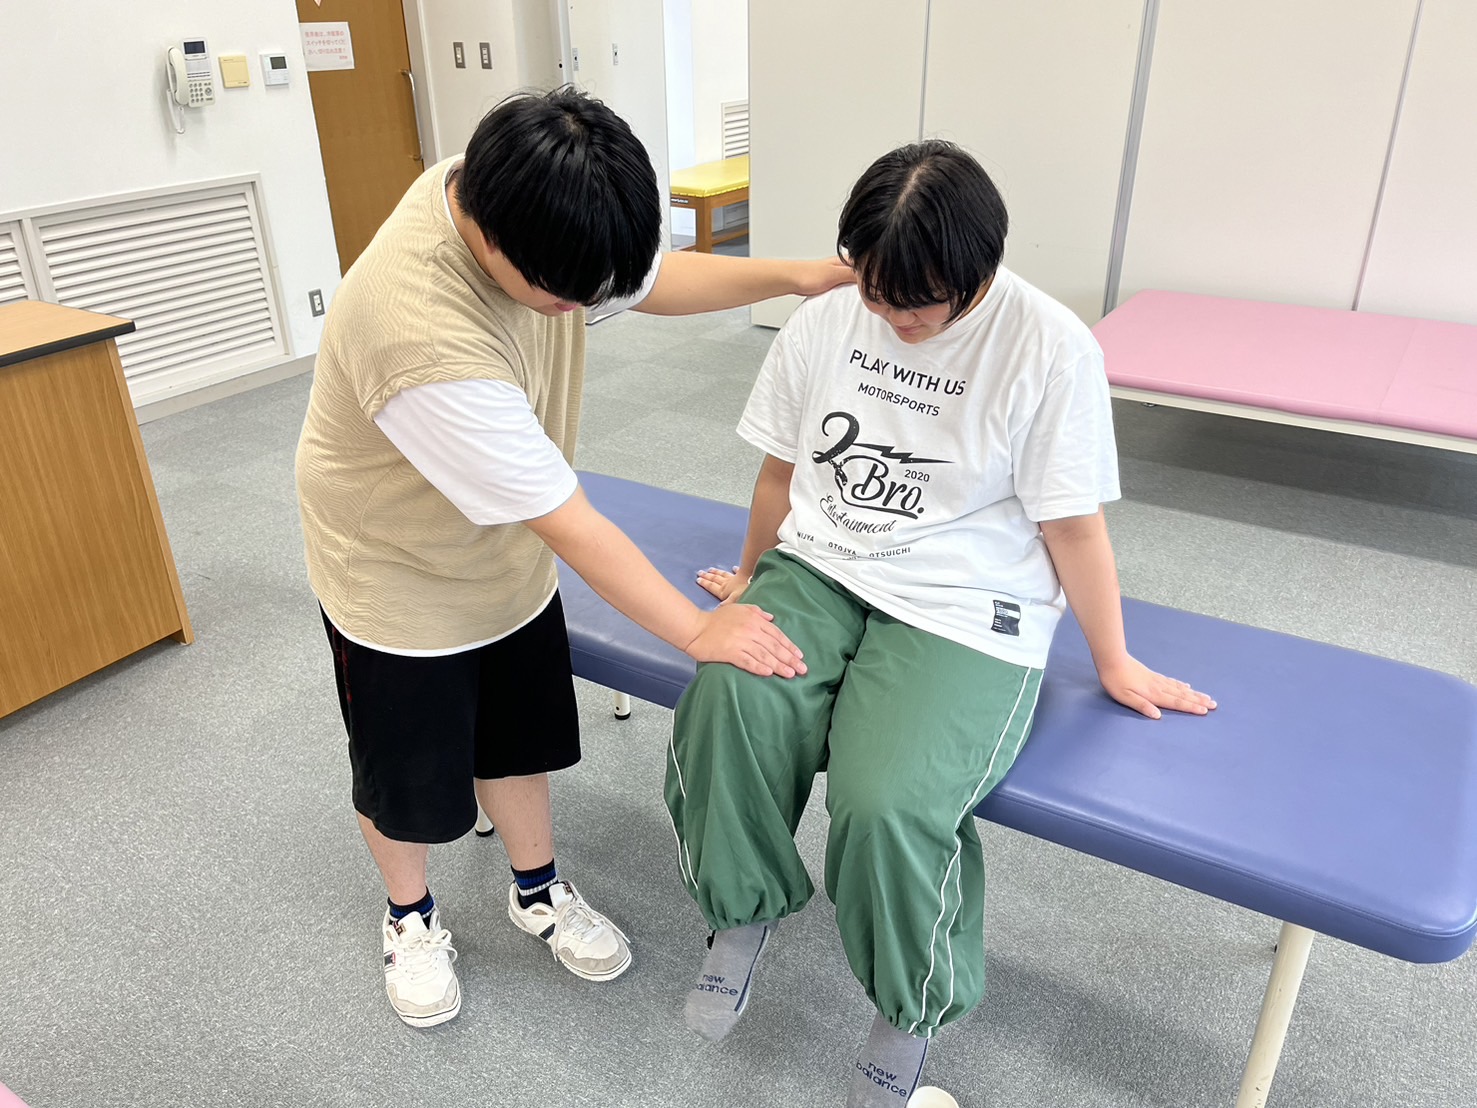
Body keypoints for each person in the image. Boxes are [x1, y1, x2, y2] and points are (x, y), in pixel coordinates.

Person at [665, 140, 1216, 1106]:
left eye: (916, 303)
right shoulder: (831, 315)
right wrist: (751, 578)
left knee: (888, 803)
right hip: (821, 562)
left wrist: (1113, 660)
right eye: (876, 293)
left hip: (966, 602)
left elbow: (1071, 525)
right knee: (726, 703)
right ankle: (742, 912)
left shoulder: (1048, 348)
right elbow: (781, 471)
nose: (892, 318)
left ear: (977, 270)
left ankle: (908, 1007)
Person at [294, 87, 851, 1029]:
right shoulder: (418, 332)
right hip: (396, 575)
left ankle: (537, 888)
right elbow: (572, 523)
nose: (581, 311)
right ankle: (409, 914)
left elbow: (647, 279)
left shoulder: (516, 190)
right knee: (405, 779)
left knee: (516, 739)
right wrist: (698, 630)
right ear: (496, 244)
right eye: (568, 298)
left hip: (501, 557)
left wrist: (800, 277)